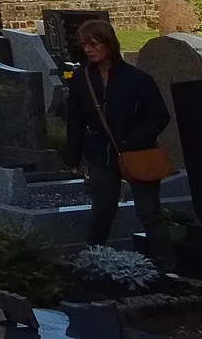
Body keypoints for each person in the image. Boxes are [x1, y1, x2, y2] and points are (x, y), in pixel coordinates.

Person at [62, 17, 171, 260]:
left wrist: (134, 139)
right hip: (101, 152)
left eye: (94, 44)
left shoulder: (137, 78)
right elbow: (76, 119)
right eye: (85, 45)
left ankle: (168, 267)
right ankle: (91, 259)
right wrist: (73, 156)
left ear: (109, 44)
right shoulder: (82, 79)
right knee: (102, 210)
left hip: (138, 152)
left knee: (149, 213)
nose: (89, 49)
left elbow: (160, 115)